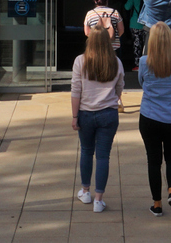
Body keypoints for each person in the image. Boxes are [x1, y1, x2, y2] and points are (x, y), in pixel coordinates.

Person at [71, 27, 124, 213]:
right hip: (108, 114)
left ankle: (85, 192)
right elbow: (119, 88)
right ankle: (99, 200)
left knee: (86, 151)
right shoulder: (116, 62)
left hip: (85, 113)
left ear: (90, 41)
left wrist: (74, 116)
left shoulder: (80, 61)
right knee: (103, 156)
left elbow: (76, 91)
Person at [138, 21, 171, 217]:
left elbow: (142, 83)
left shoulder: (144, 62)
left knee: (153, 161)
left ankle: (157, 204)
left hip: (149, 117)